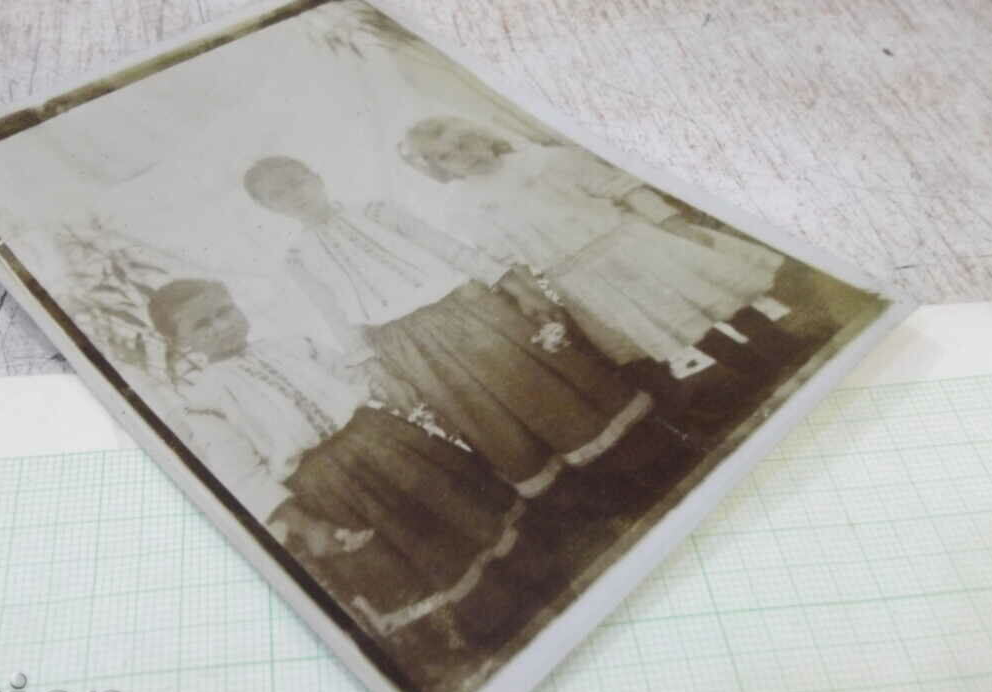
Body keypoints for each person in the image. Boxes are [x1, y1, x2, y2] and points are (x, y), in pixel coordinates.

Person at [242, 156, 671, 500]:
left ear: (316, 178)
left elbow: (448, 248)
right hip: (403, 342)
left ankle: (640, 460)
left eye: (297, 182)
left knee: (535, 382)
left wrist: (511, 285)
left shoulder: (376, 211)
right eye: (278, 194)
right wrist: (374, 367)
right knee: (485, 413)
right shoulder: (298, 258)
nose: (294, 195)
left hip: (466, 311)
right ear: (269, 209)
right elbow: (336, 316)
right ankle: (584, 494)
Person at [145, 277, 525, 644]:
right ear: (179, 342)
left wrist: (399, 401)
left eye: (224, 311)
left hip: (383, 441)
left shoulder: (294, 345)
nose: (221, 326)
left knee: (452, 510)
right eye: (202, 325)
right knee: (410, 548)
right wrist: (305, 524)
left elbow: (353, 377)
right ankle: (485, 618)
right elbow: (245, 476)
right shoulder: (204, 401)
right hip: (329, 485)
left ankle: (527, 573)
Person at [396, 117, 815, 422]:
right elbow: (505, 258)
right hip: (578, 274)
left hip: (628, 243)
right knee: (676, 324)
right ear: (436, 168)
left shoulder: (544, 162)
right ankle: (755, 372)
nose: (463, 157)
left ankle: (782, 348)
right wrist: (533, 297)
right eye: (446, 156)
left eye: (465, 143)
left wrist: (672, 224)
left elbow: (622, 187)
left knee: (711, 300)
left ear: (482, 136)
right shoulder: (466, 208)